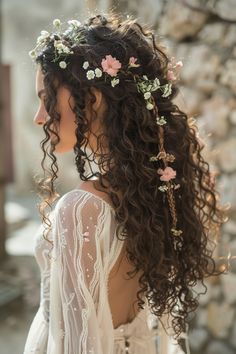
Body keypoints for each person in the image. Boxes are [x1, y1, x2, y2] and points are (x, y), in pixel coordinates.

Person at [24, 12, 226, 354]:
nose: (39, 117)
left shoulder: (81, 209)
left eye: (46, 99)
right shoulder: (151, 188)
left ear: (92, 98)